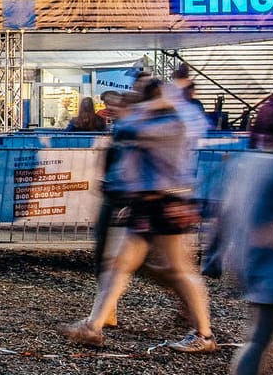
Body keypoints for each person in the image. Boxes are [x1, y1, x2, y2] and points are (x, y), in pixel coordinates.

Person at [65, 77, 215, 353]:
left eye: (139, 97)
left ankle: (204, 334)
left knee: (179, 270)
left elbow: (127, 129)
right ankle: (93, 325)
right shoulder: (169, 120)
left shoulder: (167, 124)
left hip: (168, 201)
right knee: (120, 264)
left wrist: (151, 105)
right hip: (148, 203)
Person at [216, 109, 273, 375]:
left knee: (259, 336)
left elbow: (225, 210)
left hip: (253, 261)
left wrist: (219, 253)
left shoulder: (246, 163)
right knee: (259, 338)